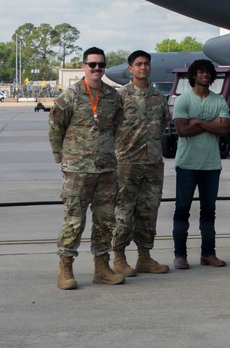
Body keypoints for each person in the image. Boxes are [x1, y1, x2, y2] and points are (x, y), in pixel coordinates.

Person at [49, 47, 125, 289]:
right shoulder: (69, 97)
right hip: (77, 172)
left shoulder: (114, 96)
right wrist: (62, 158)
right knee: (74, 221)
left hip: (105, 171)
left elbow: (116, 126)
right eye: (92, 64)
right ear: (83, 67)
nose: (96, 69)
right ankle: (65, 269)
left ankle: (101, 267)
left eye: (100, 64)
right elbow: (55, 128)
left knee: (105, 221)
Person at [113, 50, 172, 276]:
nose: (143, 68)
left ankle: (144, 257)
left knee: (149, 213)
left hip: (153, 163)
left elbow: (164, 123)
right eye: (138, 64)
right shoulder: (120, 97)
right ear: (130, 69)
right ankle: (118, 257)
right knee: (123, 213)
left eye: (146, 64)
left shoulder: (158, 97)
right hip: (126, 163)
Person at [171, 59, 230, 270]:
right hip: (187, 163)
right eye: (200, 72)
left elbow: (224, 129)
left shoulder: (219, 100)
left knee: (208, 211)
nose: (205, 75)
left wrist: (197, 121)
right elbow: (182, 130)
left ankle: (208, 254)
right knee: (182, 210)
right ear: (193, 75)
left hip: (211, 165)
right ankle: (180, 255)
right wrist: (211, 124)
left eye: (208, 72)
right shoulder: (183, 100)